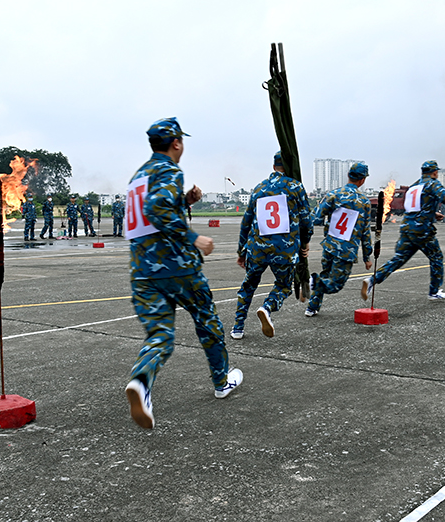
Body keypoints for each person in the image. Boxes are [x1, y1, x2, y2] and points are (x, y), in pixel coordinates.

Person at [124, 117, 240, 430]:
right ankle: (221, 381)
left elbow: (153, 206)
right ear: (177, 143)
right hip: (178, 268)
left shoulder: (139, 176)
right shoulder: (169, 169)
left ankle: (141, 381)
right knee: (208, 322)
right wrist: (194, 238)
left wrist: (186, 200)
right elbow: (158, 210)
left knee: (160, 335)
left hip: (143, 272)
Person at [361, 160, 445, 301]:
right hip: (422, 229)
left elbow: (413, 207)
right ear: (435, 172)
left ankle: (372, 280)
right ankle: (434, 291)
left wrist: (432, 214)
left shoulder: (413, 187)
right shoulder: (432, 183)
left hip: (407, 228)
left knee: (398, 259)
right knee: (436, 257)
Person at [232, 151, 313, 340]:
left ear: (273, 166)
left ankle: (237, 327)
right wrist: (306, 242)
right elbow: (306, 220)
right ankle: (267, 307)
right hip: (284, 249)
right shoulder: (295, 187)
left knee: (248, 286)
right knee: (284, 286)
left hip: (257, 247)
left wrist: (241, 250)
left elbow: (246, 221)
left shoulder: (259, 188)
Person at [306, 163, 373, 317]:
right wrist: (367, 256)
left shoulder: (333, 194)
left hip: (329, 245)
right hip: (346, 249)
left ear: (348, 176)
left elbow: (315, 217)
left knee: (325, 274)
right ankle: (312, 283)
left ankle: (312, 307)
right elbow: (365, 231)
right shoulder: (364, 202)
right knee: (335, 285)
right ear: (362, 180)